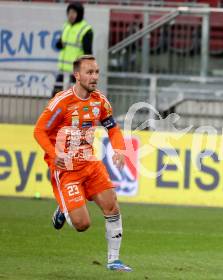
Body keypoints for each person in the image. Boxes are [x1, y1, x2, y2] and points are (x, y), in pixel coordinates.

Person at [34, 55, 132, 272]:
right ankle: (63, 209)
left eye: (96, 72)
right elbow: (40, 131)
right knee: (82, 225)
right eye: (89, 72)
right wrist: (52, 153)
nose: (94, 77)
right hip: (66, 169)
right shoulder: (62, 102)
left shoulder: (100, 101)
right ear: (76, 75)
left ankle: (114, 260)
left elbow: (112, 128)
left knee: (112, 206)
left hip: (91, 164)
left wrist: (118, 148)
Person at [52, 2, 93, 97]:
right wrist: (59, 44)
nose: (71, 15)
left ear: (79, 14)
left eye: (74, 13)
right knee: (55, 96)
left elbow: (88, 52)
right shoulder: (66, 26)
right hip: (63, 69)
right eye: (69, 12)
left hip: (76, 71)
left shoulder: (85, 29)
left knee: (74, 98)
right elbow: (60, 44)